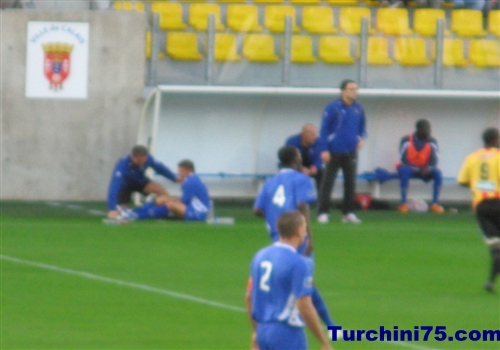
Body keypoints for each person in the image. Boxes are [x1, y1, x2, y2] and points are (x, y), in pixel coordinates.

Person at [253, 146, 338, 334]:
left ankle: (330, 325)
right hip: (296, 238)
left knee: (298, 283)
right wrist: (309, 237)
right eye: (299, 157)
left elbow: (257, 210)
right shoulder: (302, 179)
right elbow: (302, 205)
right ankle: (329, 326)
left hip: (278, 239)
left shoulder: (270, 182)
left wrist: (275, 218)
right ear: (294, 160)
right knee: (306, 283)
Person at [245, 211, 333, 350]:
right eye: (305, 227)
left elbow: (249, 297)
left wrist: (256, 331)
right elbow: (304, 304)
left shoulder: (259, 257)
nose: (306, 232)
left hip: (263, 330)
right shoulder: (299, 263)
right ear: (298, 231)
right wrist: (323, 341)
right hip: (287, 333)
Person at [317, 79, 367, 224]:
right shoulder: (333, 108)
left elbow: (363, 127)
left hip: (351, 151)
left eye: (356, 89)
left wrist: (362, 138)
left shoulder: (359, 108)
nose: (354, 92)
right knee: (328, 182)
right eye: (351, 89)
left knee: (350, 183)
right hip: (333, 151)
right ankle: (323, 212)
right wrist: (324, 149)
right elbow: (324, 130)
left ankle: (348, 212)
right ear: (343, 91)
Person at [457, 127, 500, 293]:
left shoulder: (472, 157)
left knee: (495, 246)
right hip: (498, 202)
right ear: (496, 140)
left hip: (481, 205)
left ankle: (490, 282)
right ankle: (490, 281)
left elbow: (462, 180)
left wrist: (476, 185)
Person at [117, 159, 211, 222]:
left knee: (170, 205)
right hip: (193, 208)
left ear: (188, 170)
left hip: (198, 213)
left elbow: (184, 201)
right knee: (163, 199)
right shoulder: (192, 179)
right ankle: (134, 212)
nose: (179, 173)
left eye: (181, 171)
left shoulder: (191, 181)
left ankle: (137, 216)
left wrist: (169, 200)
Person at [107, 145, 178, 219]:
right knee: (121, 212)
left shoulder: (148, 158)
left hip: (139, 181)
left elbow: (160, 168)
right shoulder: (122, 164)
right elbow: (114, 186)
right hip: (125, 186)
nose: (143, 163)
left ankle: (172, 210)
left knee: (160, 190)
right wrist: (112, 209)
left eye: (144, 160)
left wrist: (174, 178)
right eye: (140, 161)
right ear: (133, 157)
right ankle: (127, 213)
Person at [397, 119, 445, 214]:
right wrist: (417, 169)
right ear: (418, 129)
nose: (429, 131)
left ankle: (434, 204)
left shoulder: (432, 141)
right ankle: (403, 203)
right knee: (404, 171)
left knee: (438, 173)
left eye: (429, 129)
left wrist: (428, 168)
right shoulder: (406, 140)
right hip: (409, 168)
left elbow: (435, 159)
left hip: (425, 169)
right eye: (426, 129)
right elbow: (402, 158)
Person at [285, 124, 323, 192]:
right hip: (294, 166)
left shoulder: (318, 142)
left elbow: (319, 157)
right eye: (313, 135)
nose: (315, 137)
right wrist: (300, 168)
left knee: (322, 173)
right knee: (288, 171)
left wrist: (315, 166)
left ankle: (320, 199)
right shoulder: (292, 141)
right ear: (305, 134)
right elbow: (289, 158)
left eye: (315, 134)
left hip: (310, 166)